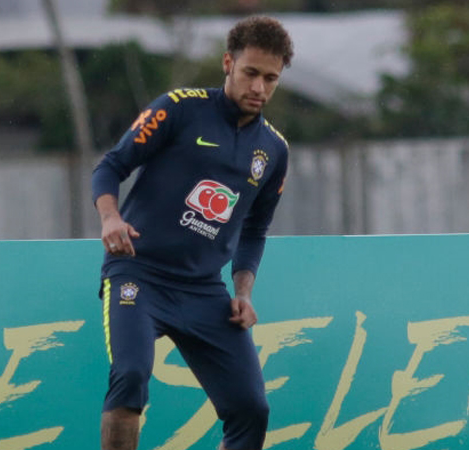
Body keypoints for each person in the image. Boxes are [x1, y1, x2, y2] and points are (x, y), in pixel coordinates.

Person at [91, 15, 294, 450]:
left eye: (270, 79)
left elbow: (255, 229)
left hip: (202, 290)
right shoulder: (179, 108)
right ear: (228, 63)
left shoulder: (274, 150)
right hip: (139, 273)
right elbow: (110, 166)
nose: (259, 88)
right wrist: (110, 218)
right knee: (130, 377)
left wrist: (243, 292)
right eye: (251, 73)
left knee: (251, 409)